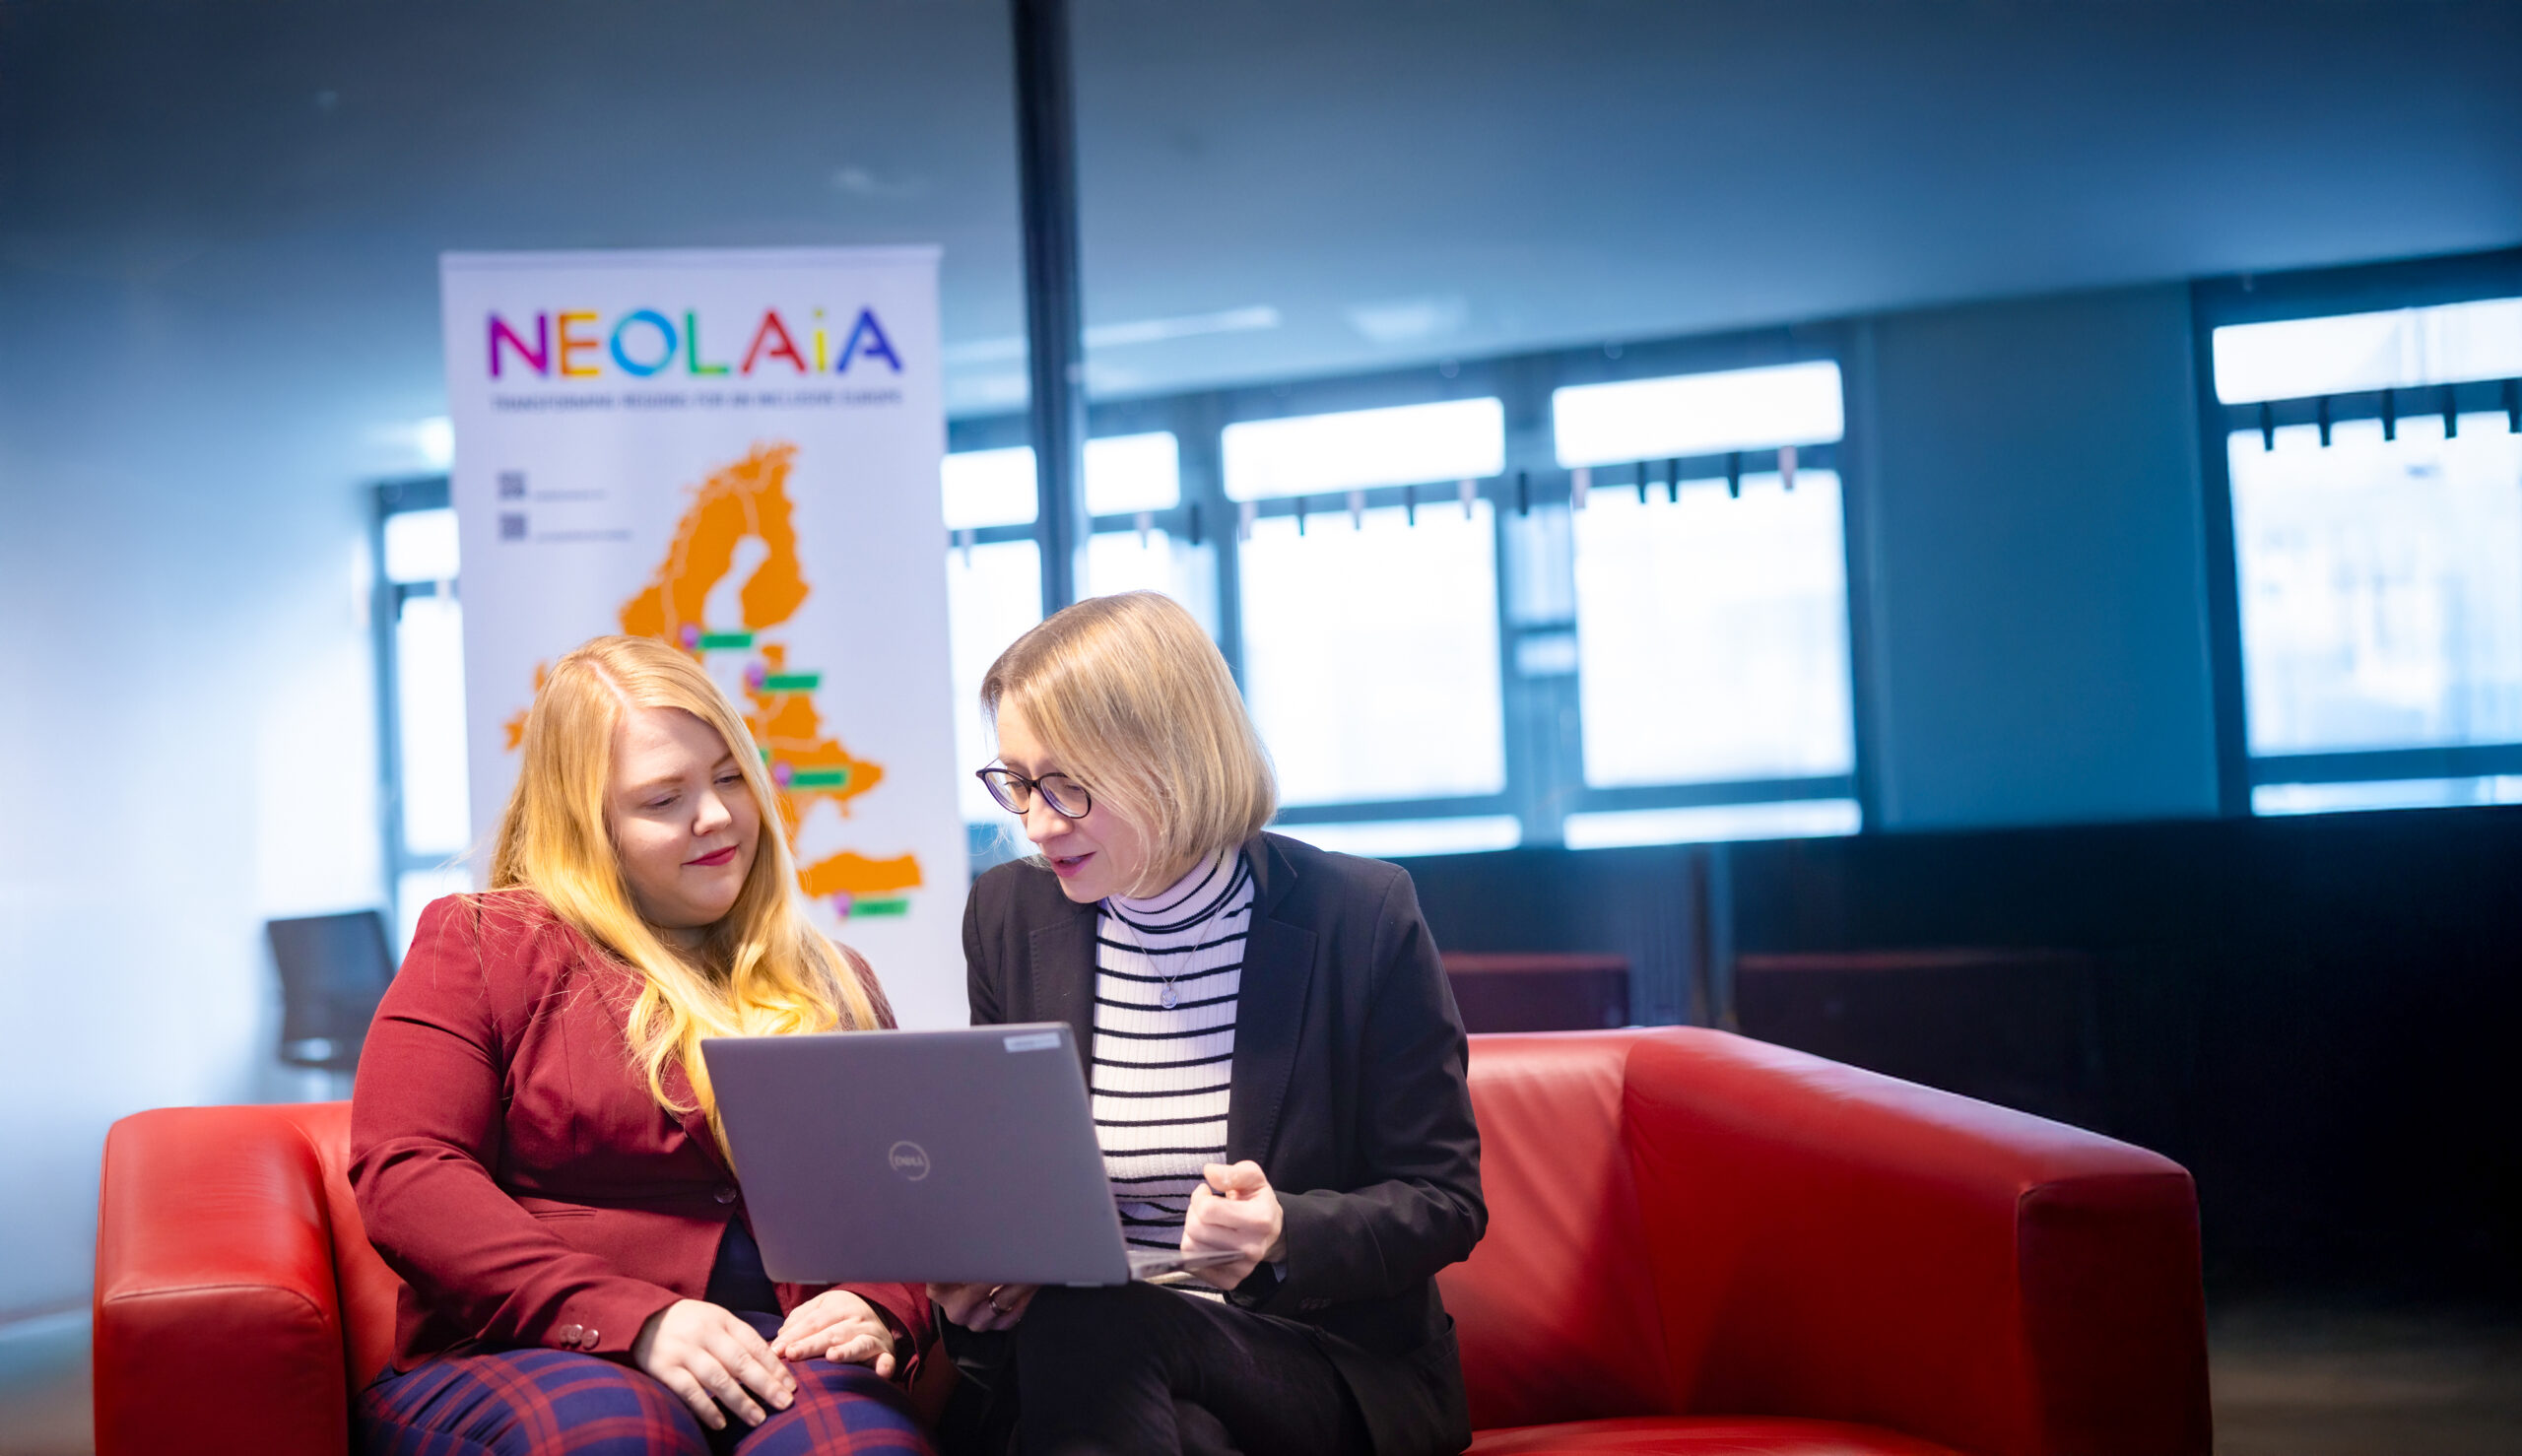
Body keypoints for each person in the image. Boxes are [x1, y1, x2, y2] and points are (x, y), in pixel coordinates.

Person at [351, 635, 934, 1456]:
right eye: (663, 801)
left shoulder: (832, 976)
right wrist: (637, 1317)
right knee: (621, 1435)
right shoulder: (483, 941)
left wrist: (884, 1305)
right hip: (530, 1351)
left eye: (731, 777)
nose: (718, 817)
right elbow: (406, 1173)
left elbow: (908, 1192)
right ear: (587, 824)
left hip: (774, 1352)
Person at [936, 591, 1486, 1456]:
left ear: (1171, 759)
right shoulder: (1007, 918)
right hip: (1095, 1377)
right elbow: (1011, 1173)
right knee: (1152, 1404)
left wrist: (1280, 1236)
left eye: (1068, 784)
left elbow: (1443, 1200)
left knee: (1099, 1327)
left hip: (1316, 1358)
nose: (1038, 822)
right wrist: (982, 1268)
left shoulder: (1362, 916)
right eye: (1019, 782)